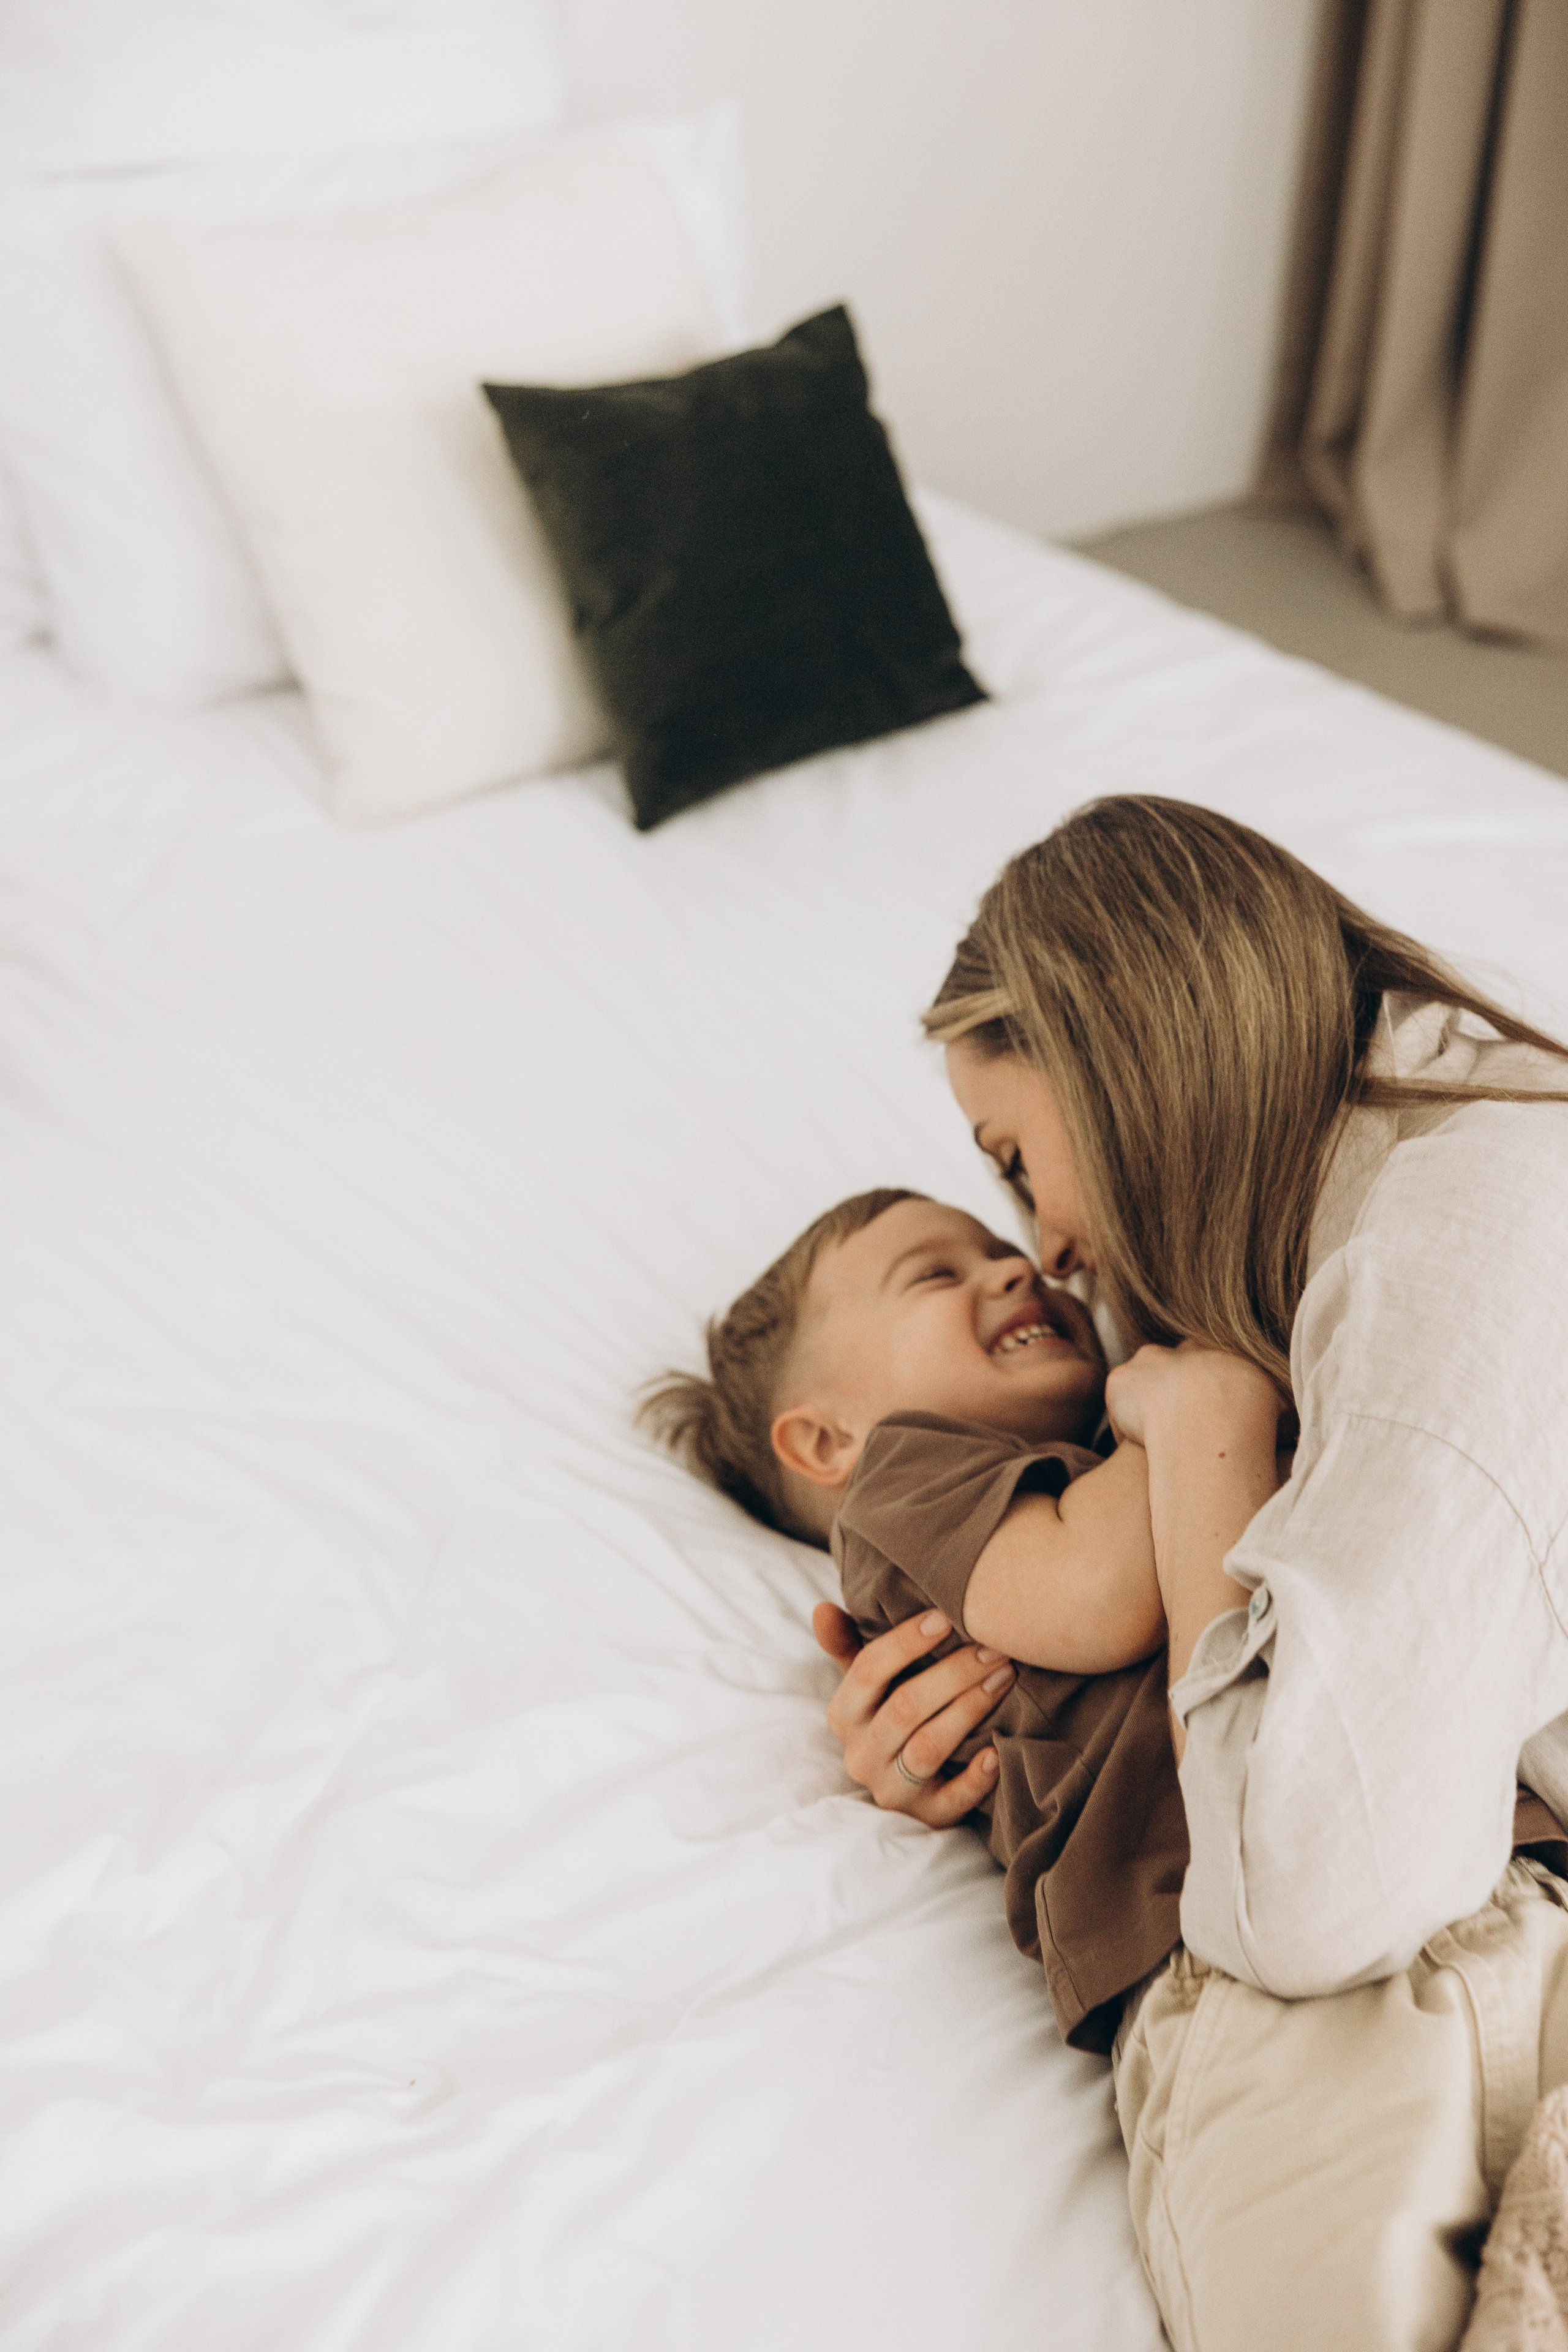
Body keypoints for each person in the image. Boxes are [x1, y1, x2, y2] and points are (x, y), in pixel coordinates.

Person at [813, 794, 1568, 2351]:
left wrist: (1204, 1419)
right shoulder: (1252, 1298)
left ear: (1114, 1057)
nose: (1044, 1252)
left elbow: (1304, 1896)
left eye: (1014, 1169)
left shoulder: (1456, 1240)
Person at [641, 1185, 1200, 2051]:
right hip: (1184, 1952)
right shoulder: (903, 1481)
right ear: (828, 1441)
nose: (1019, 1270)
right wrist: (1186, 1382)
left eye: (1001, 1252)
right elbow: (1100, 1594)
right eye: (936, 1275)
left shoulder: (1094, 1453)